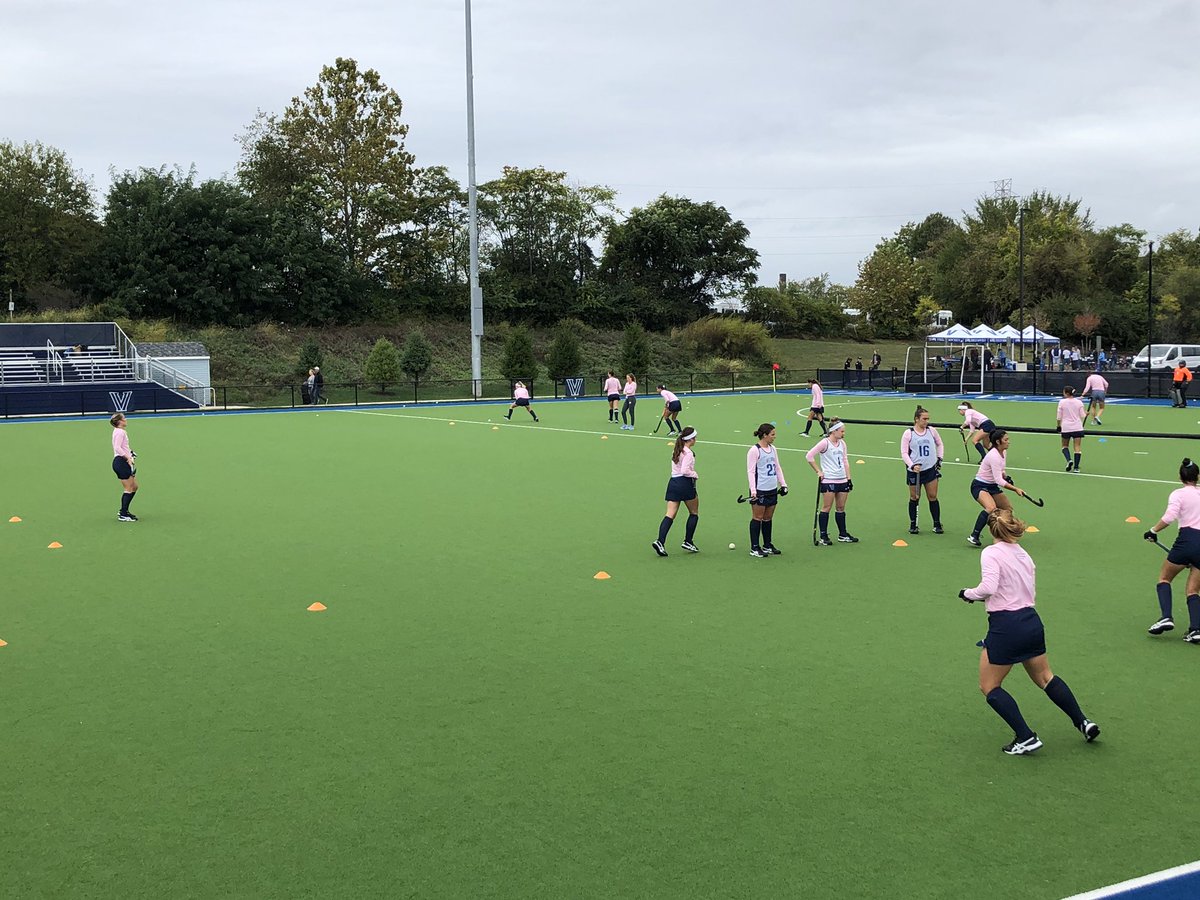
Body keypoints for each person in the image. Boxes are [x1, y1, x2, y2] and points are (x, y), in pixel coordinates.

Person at [959, 508, 1101, 755]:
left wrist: (968, 594)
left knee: (989, 687)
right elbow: (1013, 589)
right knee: (1046, 678)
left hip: (1007, 626)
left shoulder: (990, 553)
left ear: (991, 529)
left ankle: (1025, 736)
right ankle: (1083, 722)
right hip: (1031, 622)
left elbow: (989, 587)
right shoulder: (1024, 554)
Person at [1143, 458, 1200, 643]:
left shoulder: (1178, 494)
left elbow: (1169, 517)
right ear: (1197, 477)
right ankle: (1196, 629)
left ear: (1180, 477)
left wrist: (1152, 531)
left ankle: (1166, 617)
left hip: (1186, 541)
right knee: (1193, 590)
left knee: (1164, 578)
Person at [967, 429, 1029, 547]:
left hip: (992, 486)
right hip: (980, 485)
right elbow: (998, 481)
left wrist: (1005, 476)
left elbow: (1001, 470)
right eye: (1006, 440)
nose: (1008, 442)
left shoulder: (1003, 452)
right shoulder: (993, 456)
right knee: (991, 508)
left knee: (1007, 510)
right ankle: (974, 536)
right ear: (998, 441)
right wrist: (1015, 489)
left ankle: (1004, 534)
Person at [805, 419, 857, 545]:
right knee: (827, 507)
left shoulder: (842, 444)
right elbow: (809, 456)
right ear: (834, 431)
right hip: (829, 480)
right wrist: (818, 471)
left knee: (840, 508)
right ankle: (823, 536)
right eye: (842, 431)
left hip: (842, 479)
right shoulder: (825, 443)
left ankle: (842, 534)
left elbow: (845, 461)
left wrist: (848, 478)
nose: (843, 433)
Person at [652, 426, 700, 557]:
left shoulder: (677, 449)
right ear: (690, 439)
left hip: (673, 483)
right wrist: (694, 474)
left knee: (670, 514)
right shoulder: (688, 453)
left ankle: (660, 541)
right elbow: (685, 471)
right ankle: (688, 541)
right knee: (694, 513)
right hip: (685, 484)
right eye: (694, 438)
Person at [747, 423, 789, 558]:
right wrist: (753, 491)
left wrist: (783, 484)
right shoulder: (754, 450)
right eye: (772, 434)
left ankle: (767, 544)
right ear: (765, 435)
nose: (774, 437)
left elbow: (778, 467)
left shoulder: (773, 449)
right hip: (760, 489)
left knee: (768, 518)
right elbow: (751, 471)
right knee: (757, 518)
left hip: (772, 488)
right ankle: (754, 547)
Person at [901, 405, 944, 535]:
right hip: (915, 471)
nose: (927, 421)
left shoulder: (931, 431)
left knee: (932, 496)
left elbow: (939, 443)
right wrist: (912, 465)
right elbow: (904, 453)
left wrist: (939, 458)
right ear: (916, 419)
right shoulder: (909, 433)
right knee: (914, 497)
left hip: (930, 470)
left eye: (928, 419)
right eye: (924, 419)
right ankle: (913, 524)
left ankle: (937, 524)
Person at [111, 413, 140, 522]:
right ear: (120, 421)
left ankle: (125, 510)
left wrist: (130, 453)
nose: (126, 420)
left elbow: (123, 447)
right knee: (128, 488)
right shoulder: (120, 432)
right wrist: (128, 457)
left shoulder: (119, 431)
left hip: (123, 461)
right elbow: (117, 448)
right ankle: (123, 513)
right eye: (124, 418)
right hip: (121, 462)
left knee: (134, 486)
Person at [1056, 386, 1086, 473]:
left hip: (1066, 427)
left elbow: (1058, 417)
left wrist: (1058, 426)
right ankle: (1076, 468)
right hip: (1077, 427)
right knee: (1077, 447)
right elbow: (1083, 415)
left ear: (1066, 393)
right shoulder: (1079, 402)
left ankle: (1069, 460)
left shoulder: (1062, 402)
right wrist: (1086, 413)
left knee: (1064, 446)